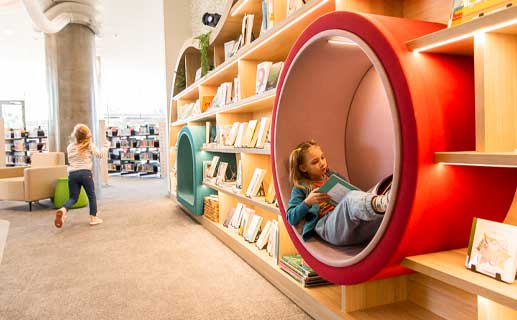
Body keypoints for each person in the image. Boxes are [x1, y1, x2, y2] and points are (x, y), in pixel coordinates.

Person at [286, 140, 392, 246]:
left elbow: (352, 193)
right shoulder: (301, 187)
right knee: (350, 198)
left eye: (322, 158)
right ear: (303, 168)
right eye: (315, 162)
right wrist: (307, 202)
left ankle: (389, 201)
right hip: (329, 227)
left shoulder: (332, 176)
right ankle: (383, 202)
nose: (322, 163)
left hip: (355, 228)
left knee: (380, 187)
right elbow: (291, 217)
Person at [54, 124, 109, 228]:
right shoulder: (89, 145)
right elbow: (100, 155)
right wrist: (106, 146)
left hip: (72, 174)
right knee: (91, 196)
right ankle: (93, 218)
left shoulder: (70, 147)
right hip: (85, 174)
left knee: (73, 198)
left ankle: (63, 209)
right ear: (86, 135)